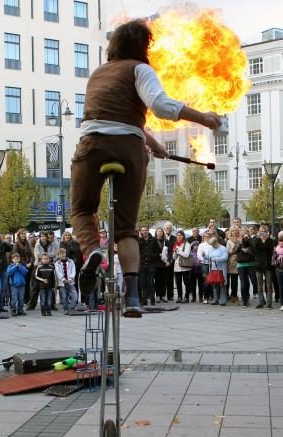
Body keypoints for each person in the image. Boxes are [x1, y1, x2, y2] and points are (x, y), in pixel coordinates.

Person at [70, 19, 222, 317]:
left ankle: (93, 252)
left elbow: (111, 120)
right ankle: (133, 298)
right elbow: (161, 106)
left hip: (92, 146)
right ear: (144, 47)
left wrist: (152, 142)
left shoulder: (97, 75)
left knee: (82, 209)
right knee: (126, 229)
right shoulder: (140, 69)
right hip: (127, 150)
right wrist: (204, 118)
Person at [252, 227, 274, 309]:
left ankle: (269, 302)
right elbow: (254, 248)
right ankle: (261, 301)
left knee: (268, 285)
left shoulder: (270, 241)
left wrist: (265, 240)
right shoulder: (256, 240)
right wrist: (259, 239)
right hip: (258, 265)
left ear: (267, 232)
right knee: (259, 285)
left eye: (263, 232)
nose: (262, 233)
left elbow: (269, 249)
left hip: (268, 265)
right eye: (260, 231)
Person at [138, 226, 159, 306]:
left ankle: (152, 299)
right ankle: (144, 300)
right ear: (141, 232)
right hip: (142, 264)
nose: (144, 232)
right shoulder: (139, 241)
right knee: (142, 283)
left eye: (146, 230)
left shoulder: (153, 240)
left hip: (151, 264)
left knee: (150, 282)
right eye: (143, 230)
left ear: (148, 231)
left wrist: (151, 256)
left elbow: (158, 252)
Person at [55, 248, 78, 315]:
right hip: (62, 283)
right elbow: (58, 273)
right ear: (58, 255)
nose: (62, 255)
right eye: (60, 254)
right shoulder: (57, 263)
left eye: (63, 253)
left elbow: (73, 271)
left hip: (71, 282)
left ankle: (71, 308)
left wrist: (70, 279)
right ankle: (66, 309)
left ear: (66, 254)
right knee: (64, 297)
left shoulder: (71, 261)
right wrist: (63, 280)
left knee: (75, 296)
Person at [172, 230, 192, 304]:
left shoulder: (187, 244)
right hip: (177, 267)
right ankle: (179, 296)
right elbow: (174, 258)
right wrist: (174, 252)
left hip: (185, 266)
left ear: (183, 236)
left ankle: (186, 297)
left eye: (180, 235)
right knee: (178, 283)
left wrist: (178, 251)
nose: (179, 237)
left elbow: (186, 255)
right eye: (177, 235)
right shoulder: (175, 244)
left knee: (186, 282)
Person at [207, 237, 228, 305]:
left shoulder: (223, 248)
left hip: (221, 269)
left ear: (216, 242)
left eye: (213, 244)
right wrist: (204, 256)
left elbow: (225, 257)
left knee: (222, 284)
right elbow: (209, 257)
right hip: (213, 269)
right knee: (214, 284)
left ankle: (223, 300)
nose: (212, 246)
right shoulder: (210, 248)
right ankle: (215, 299)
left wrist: (216, 259)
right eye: (211, 245)